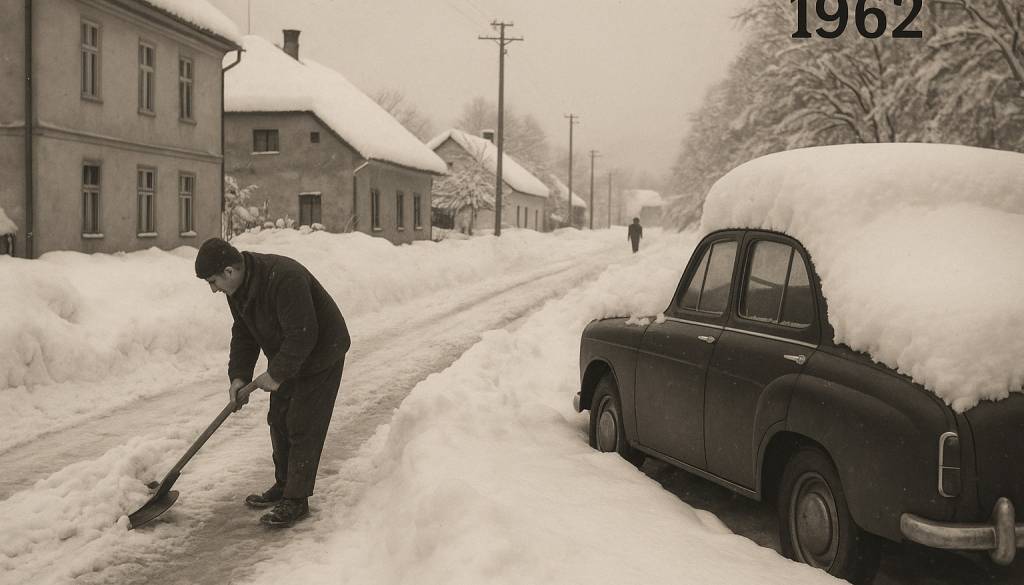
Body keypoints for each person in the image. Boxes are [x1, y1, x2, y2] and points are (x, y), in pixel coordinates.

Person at [194, 237, 350, 528]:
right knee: (278, 418)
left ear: (229, 272)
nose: (214, 289)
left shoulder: (284, 278)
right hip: (288, 353)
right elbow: (244, 333)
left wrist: (277, 373)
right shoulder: (237, 290)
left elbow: (304, 334)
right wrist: (239, 376)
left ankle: (296, 499)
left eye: (213, 281)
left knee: (302, 422)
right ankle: (284, 485)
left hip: (322, 352)